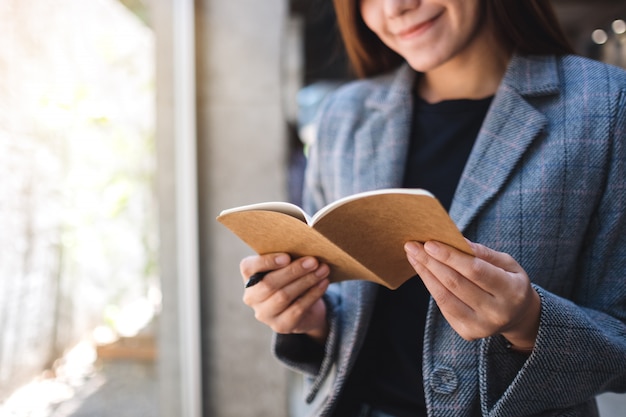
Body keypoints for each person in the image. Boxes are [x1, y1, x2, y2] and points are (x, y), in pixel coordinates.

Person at [239, 1, 626, 416]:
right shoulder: (344, 116)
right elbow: (350, 312)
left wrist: (529, 321)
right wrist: (310, 319)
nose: (397, 7)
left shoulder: (603, 106)